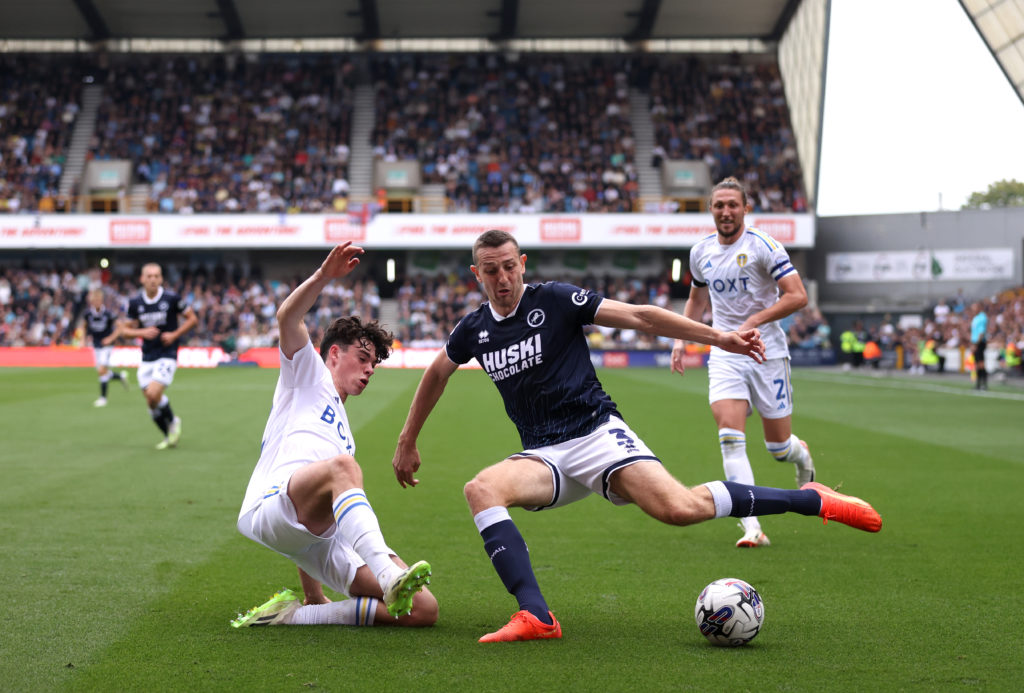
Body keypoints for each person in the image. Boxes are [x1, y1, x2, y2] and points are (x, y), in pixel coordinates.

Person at [392, 229, 881, 644]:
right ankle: (537, 615)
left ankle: (810, 499)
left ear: (522, 264)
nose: (501, 279)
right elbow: (438, 371)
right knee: (480, 489)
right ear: (475, 275)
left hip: (598, 435)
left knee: (680, 510)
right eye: (489, 271)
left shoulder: (556, 300)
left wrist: (719, 337)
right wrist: (406, 440)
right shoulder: (474, 329)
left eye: (507, 267)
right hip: (544, 455)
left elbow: (643, 317)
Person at [233, 243, 436, 629]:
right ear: (333, 355)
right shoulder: (307, 375)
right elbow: (287, 317)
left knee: (424, 609)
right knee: (343, 468)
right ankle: (388, 575)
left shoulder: (343, 436)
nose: (370, 369)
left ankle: (302, 614)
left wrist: (312, 591)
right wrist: (324, 276)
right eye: (363, 358)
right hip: (270, 506)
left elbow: (315, 525)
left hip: (312, 534)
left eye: (374, 364)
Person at [670, 177, 816, 549]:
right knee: (730, 438)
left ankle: (801, 457)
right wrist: (680, 339)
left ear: (745, 208)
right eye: (719, 205)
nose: (726, 211)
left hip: (767, 354)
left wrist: (753, 322)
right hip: (725, 354)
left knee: (778, 448)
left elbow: (797, 296)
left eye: (733, 204)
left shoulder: (764, 246)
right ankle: (752, 526)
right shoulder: (700, 252)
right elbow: (697, 302)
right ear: (711, 210)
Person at [120, 263, 198, 449]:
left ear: (161, 279)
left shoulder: (171, 298)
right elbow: (125, 331)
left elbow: (192, 319)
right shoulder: (135, 303)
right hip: (147, 356)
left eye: (156, 276)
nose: (153, 279)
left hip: (167, 354)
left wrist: (174, 335)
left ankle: (173, 423)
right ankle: (167, 435)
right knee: (151, 401)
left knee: (154, 393)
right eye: (149, 276)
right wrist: (142, 332)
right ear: (142, 279)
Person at [81, 288, 128, 407]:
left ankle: (103, 398)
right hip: (95, 345)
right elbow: (84, 326)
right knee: (101, 371)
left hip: (107, 346)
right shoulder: (88, 314)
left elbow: (120, 327)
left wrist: (111, 339)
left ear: (101, 300)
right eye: (94, 299)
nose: (96, 302)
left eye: (98, 299)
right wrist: (83, 339)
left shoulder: (108, 314)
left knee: (102, 370)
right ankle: (120, 376)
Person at [970, 301, 989, 390]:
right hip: (975, 342)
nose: (972, 309)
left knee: (981, 364)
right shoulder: (976, 317)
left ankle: (983, 384)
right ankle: (978, 384)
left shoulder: (982, 317)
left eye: (974, 307)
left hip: (979, 343)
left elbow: (981, 333)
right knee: (977, 364)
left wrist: (976, 344)